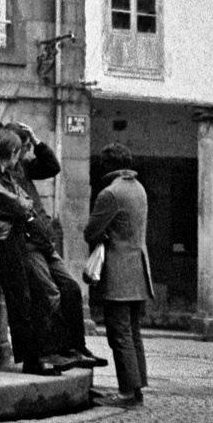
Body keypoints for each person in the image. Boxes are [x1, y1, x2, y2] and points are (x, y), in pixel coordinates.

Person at [6, 121, 108, 372]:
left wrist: (38, 141)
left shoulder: (23, 168)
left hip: (43, 240)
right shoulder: (2, 171)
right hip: (28, 242)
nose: (28, 152)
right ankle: (51, 352)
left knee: (71, 288)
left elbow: (52, 166)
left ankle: (75, 347)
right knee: (47, 292)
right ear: (14, 148)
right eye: (25, 148)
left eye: (29, 148)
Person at [0, 128, 61, 376]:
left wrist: (22, 205)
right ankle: (31, 359)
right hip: (1, 240)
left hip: (11, 238)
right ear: (13, 152)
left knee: (28, 296)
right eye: (19, 153)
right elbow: (17, 203)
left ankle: (37, 355)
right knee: (20, 298)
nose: (20, 159)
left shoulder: (0, 173)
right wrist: (22, 206)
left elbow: (23, 199)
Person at [83, 142, 153, 406]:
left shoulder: (109, 193)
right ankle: (136, 388)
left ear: (108, 166)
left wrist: (103, 236)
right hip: (138, 269)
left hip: (119, 272)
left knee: (119, 333)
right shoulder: (139, 189)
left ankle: (126, 393)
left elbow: (91, 231)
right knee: (133, 331)